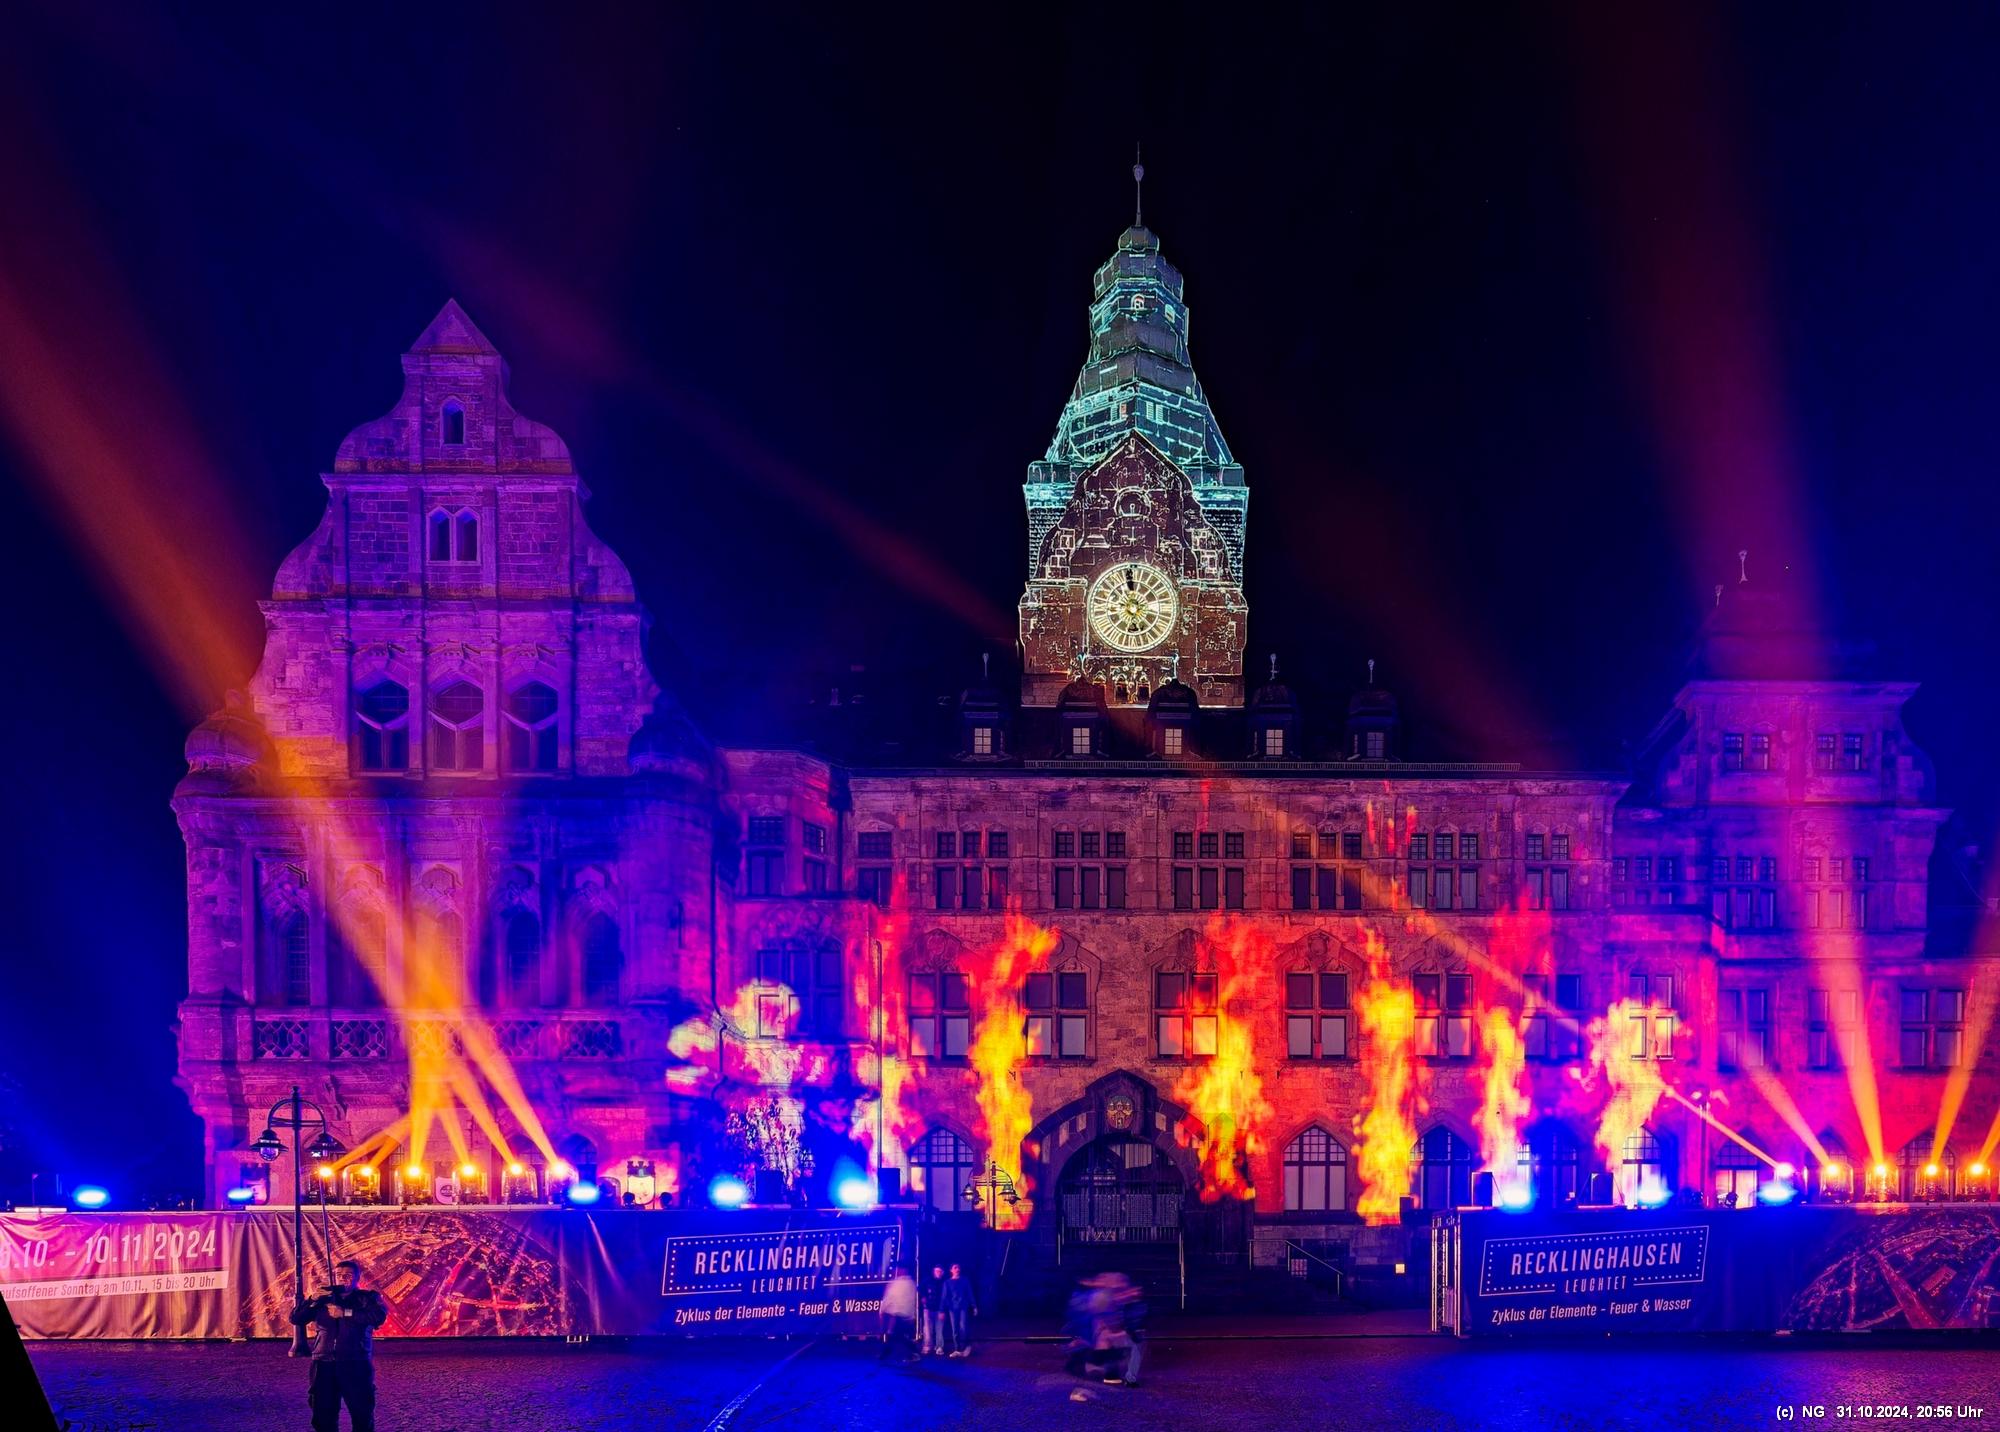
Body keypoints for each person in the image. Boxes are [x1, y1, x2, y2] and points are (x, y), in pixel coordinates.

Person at [290, 1257, 388, 1432]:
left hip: (355, 1361)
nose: (343, 1278)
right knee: (323, 1415)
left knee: (362, 1413)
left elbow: (377, 1317)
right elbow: (296, 1318)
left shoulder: (367, 1298)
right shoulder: (323, 1299)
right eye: (339, 1274)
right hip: (323, 1362)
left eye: (348, 1275)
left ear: (357, 1278)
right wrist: (312, 1299)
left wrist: (345, 1313)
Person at [879, 1265, 919, 1363]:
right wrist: (912, 1315)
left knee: (896, 1335)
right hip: (905, 1315)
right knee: (897, 1335)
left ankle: (912, 1353)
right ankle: (886, 1353)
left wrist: (882, 1310)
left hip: (898, 1315)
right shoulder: (911, 1283)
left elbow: (889, 1298)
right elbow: (913, 1301)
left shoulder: (896, 1283)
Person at [1118, 1280, 1149, 1387]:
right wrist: (1131, 1331)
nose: (1137, 1292)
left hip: (1138, 1331)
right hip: (1133, 1332)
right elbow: (1126, 1320)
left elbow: (1142, 1318)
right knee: (1135, 1355)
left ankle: (1129, 1377)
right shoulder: (1129, 1305)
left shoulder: (1139, 1304)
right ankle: (1130, 1379)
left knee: (1136, 1356)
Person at [942, 1262, 976, 1357]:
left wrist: (974, 1306)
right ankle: (957, 1349)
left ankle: (963, 1348)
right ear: (951, 1270)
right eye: (955, 1267)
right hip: (952, 1309)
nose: (957, 1269)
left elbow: (970, 1293)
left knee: (963, 1327)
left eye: (958, 1267)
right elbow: (944, 1297)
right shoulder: (947, 1283)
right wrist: (942, 1310)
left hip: (963, 1307)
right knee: (955, 1329)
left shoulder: (965, 1281)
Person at [920, 1263, 947, 1355]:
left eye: (940, 1271)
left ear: (942, 1272)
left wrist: (943, 1310)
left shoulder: (944, 1283)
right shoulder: (927, 1281)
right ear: (933, 1271)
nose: (938, 1273)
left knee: (939, 1330)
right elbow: (920, 1289)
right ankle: (927, 1347)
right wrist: (923, 1297)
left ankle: (939, 1347)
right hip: (928, 1308)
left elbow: (945, 1298)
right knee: (927, 1330)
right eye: (936, 1271)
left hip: (939, 1309)